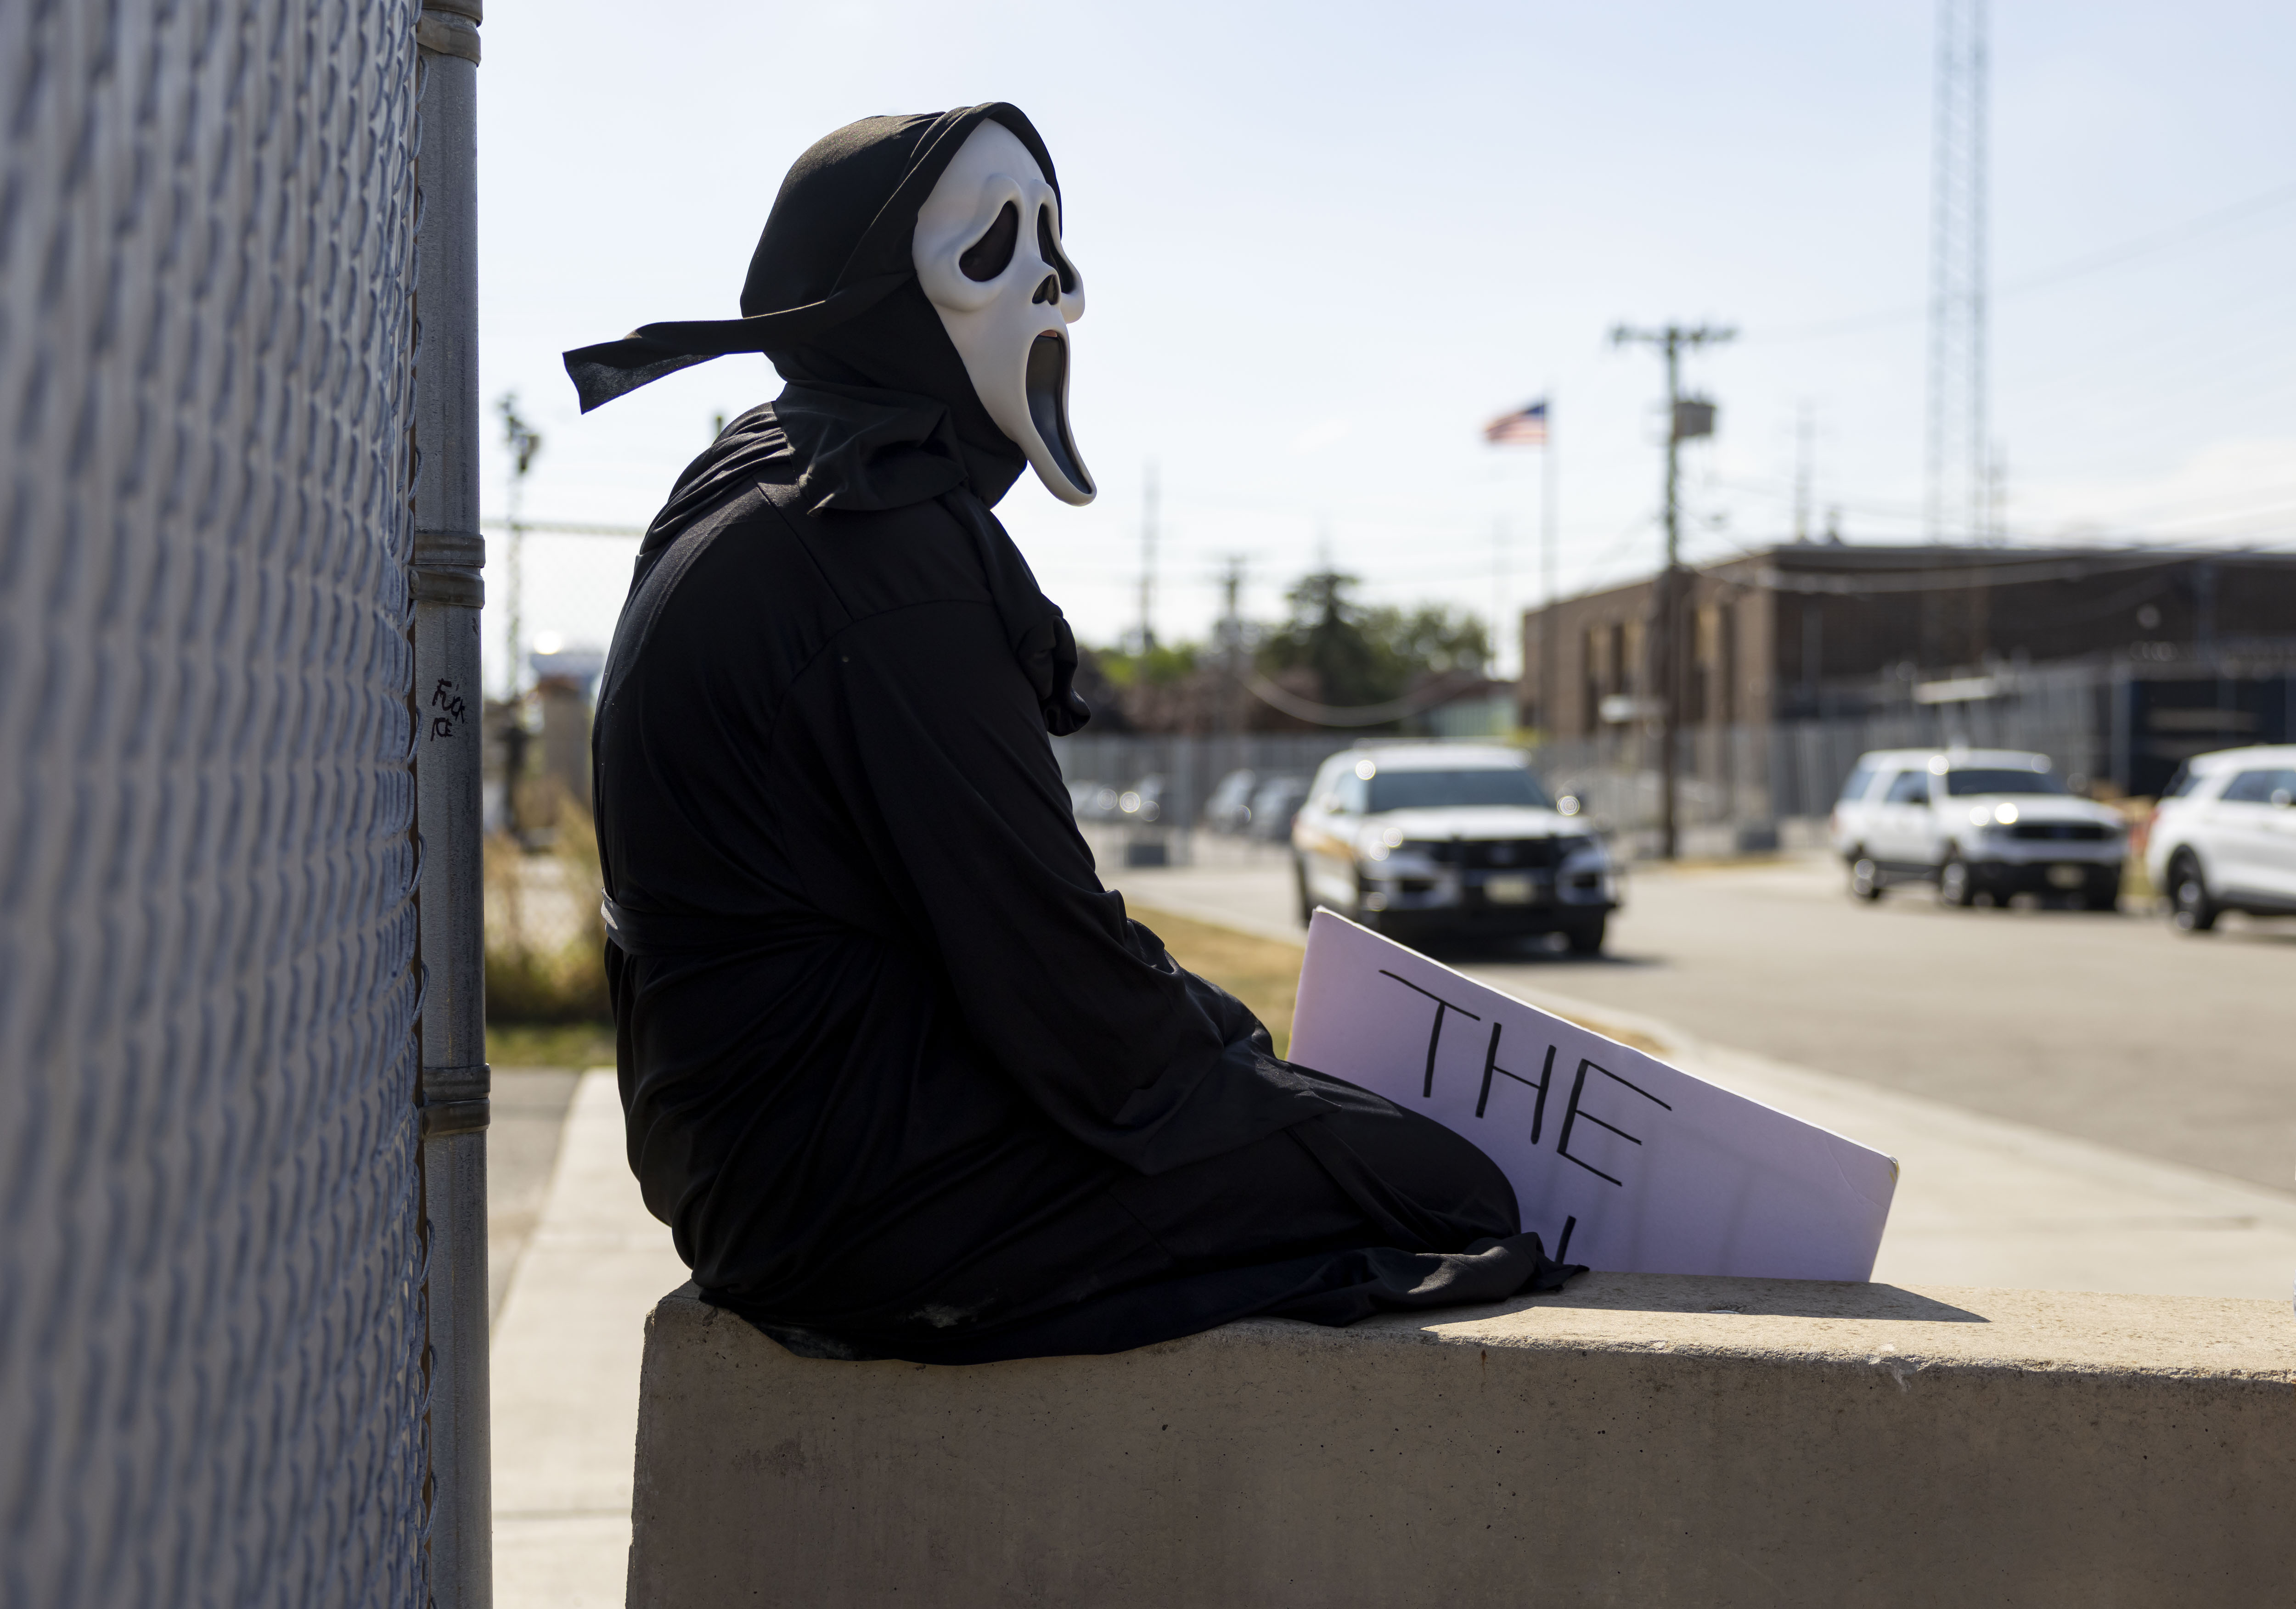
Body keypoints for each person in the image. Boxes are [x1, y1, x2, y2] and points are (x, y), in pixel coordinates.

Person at [565, 103, 1578, 1365]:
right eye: (994, 242)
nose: (1058, 288)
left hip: (761, 1159)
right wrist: (1282, 1091)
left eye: (1054, 239)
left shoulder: (770, 481)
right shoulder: (878, 556)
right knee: (1457, 1193)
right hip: (857, 1203)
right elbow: (1065, 992)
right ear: (878, 292)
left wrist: (1239, 1058)